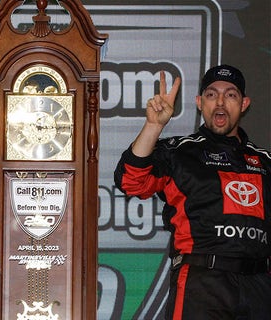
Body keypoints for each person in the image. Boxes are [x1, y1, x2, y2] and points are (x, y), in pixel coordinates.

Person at [114, 65, 271, 319]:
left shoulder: (265, 161)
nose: (220, 101)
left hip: (259, 287)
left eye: (231, 95)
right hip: (201, 283)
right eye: (211, 95)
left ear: (244, 104)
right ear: (199, 102)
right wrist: (154, 126)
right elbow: (131, 181)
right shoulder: (180, 152)